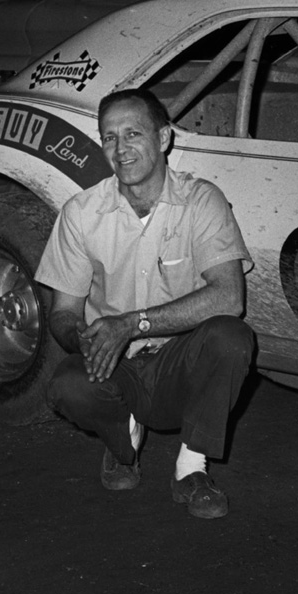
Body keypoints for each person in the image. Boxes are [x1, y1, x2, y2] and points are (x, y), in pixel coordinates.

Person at [36, 88, 254, 519]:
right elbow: (63, 310)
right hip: (118, 368)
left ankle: (191, 468)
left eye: (133, 133)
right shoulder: (81, 212)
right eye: (109, 137)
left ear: (164, 138)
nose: (121, 149)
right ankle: (124, 444)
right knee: (67, 385)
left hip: (180, 364)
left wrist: (130, 325)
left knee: (232, 338)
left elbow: (230, 296)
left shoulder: (201, 200)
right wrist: (86, 341)